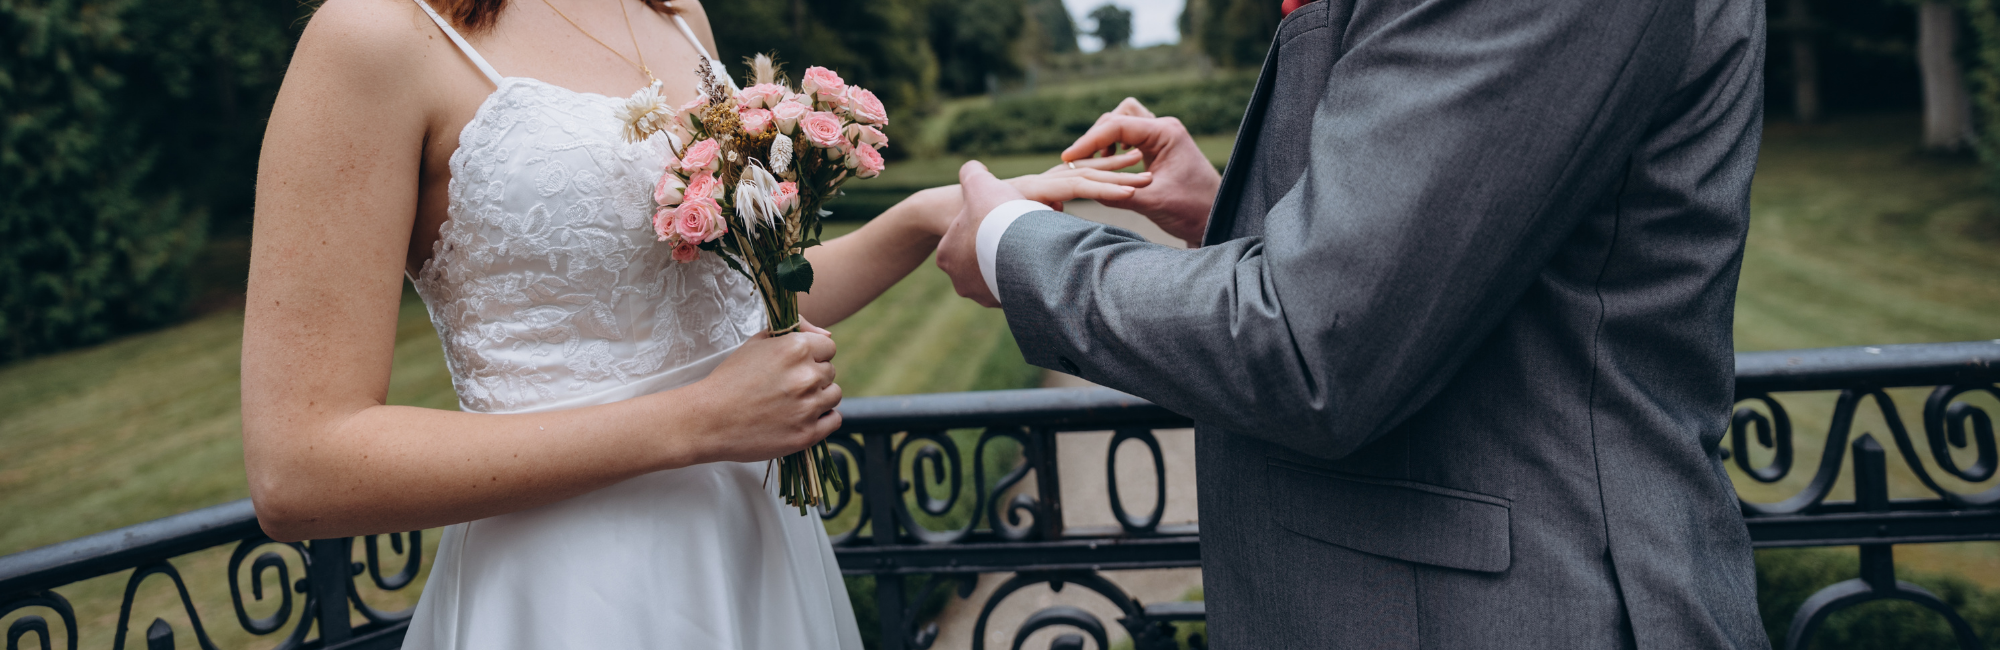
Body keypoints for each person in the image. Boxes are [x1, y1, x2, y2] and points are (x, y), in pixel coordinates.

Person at [238, 0, 1146, 647]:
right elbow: (301, 466)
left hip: (752, 546)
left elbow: (728, 305)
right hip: (571, 586)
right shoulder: (375, 33)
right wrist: (695, 423)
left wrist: (922, 217)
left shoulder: (675, 16)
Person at [935, 0, 1770, 647]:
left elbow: (1311, 346)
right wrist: (1231, 213)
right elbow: (1434, 258)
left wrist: (1016, 249)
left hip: (1509, 609)